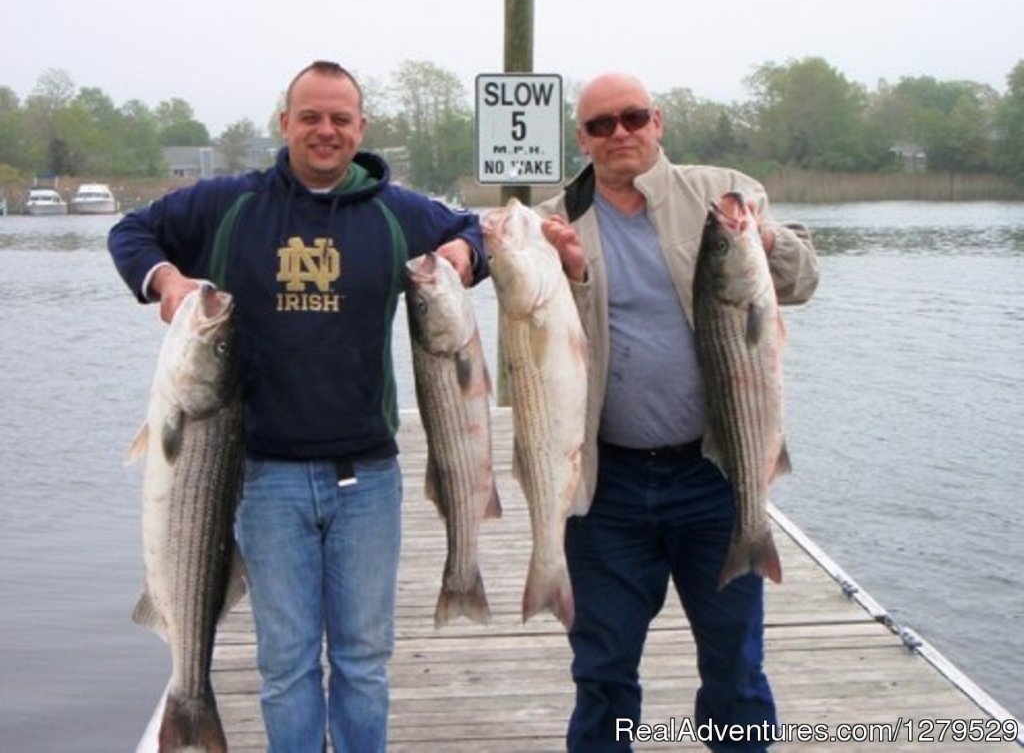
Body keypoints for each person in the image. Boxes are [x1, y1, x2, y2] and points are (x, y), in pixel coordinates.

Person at [108, 60, 487, 752]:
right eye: (309, 115)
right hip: (263, 476)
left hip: (368, 478)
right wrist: (162, 281)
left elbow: (475, 230)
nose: (325, 130)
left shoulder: (395, 210)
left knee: (363, 663)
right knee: (285, 667)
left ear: (361, 128)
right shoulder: (228, 205)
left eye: (340, 118)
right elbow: (131, 233)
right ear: (283, 122)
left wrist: (464, 248)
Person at [537, 72, 820, 752]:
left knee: (735, 667)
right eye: (601, 125)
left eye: (632, 117)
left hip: (716, 477)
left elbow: (803, 281)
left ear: (657, 121)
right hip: (607, 486)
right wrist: (563, 269)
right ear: (582, 138)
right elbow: (542, 341)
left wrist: (766, 237)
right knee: (603, 672)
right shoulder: (554, 221)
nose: (620, 134)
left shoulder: (722, 193)